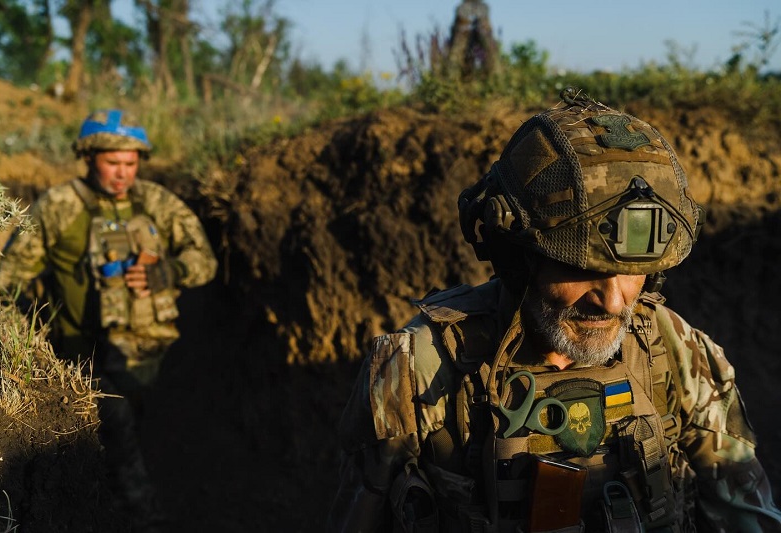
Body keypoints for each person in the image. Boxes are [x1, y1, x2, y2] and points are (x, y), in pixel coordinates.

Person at [328, 88, 781, 532]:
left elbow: (747, 513)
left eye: (633, 272)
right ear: (518, 258)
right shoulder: (417, 369)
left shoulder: (675, 350)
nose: (614, 300)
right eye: (582, 269)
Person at [0, 109, 218, 531]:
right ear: (89, 156)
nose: (122, 173)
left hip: (157, 360)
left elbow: (203, 261)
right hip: (85, 360)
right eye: (112, 162)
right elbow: (11, 281)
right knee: (115, 450)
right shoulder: (60, 206)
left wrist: (166, 271)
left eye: (131, 163)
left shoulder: (156, 202)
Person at [447, 0, 499, 79]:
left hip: (476, 14)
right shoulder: (463, 8)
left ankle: (494, 79)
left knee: (490, 56)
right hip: (467, 14)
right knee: (457, 60)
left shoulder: (482, 8)